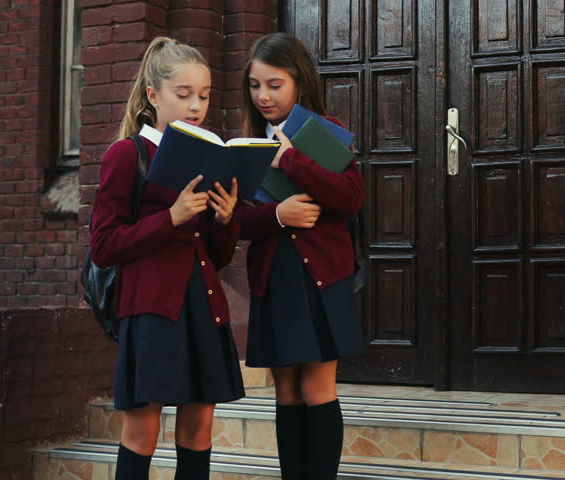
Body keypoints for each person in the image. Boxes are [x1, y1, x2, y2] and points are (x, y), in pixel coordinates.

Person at [89, 36, 245, 480]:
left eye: (204, 95)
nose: (196, 105)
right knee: (142, 431)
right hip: (152, 311)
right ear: (153, 95)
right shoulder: (128, 155)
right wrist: (171, 218)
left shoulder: (210, 154)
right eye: (184, 94)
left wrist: (227, 220)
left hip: (203, 305)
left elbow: (216, 253)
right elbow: (104, 246)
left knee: (199, 430)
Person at [235, 32, 365, 480]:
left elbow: (350, 198)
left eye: (274, 84)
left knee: (317, 386)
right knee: (285, 391)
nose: (264, 95)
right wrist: (278, 216)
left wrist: (291, 160)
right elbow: (233, 222)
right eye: (255, 85)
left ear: (298, 81)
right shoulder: (247, 143)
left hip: (322, 279)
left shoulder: (322, 133)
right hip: (275, 278)